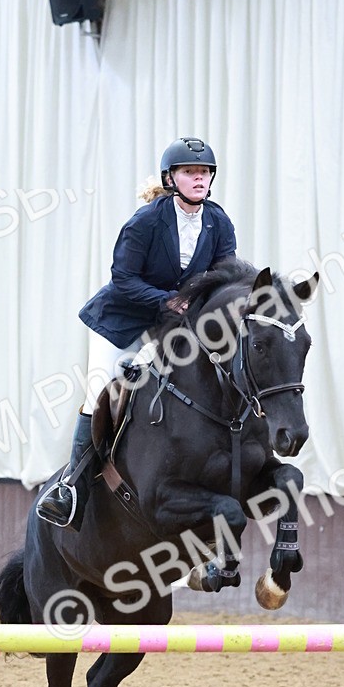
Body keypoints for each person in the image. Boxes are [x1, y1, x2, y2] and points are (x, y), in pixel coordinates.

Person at [36, 136, 237, 528]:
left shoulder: (218, 221)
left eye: (204, 172)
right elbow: (123, 278)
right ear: (171, 178)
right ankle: (71, 489)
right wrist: (168, 300)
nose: (199, 178)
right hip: (122, 321)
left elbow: (225, 276)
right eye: (190, 172)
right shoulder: (146, 221)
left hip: (171, 326)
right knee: (100, 391)